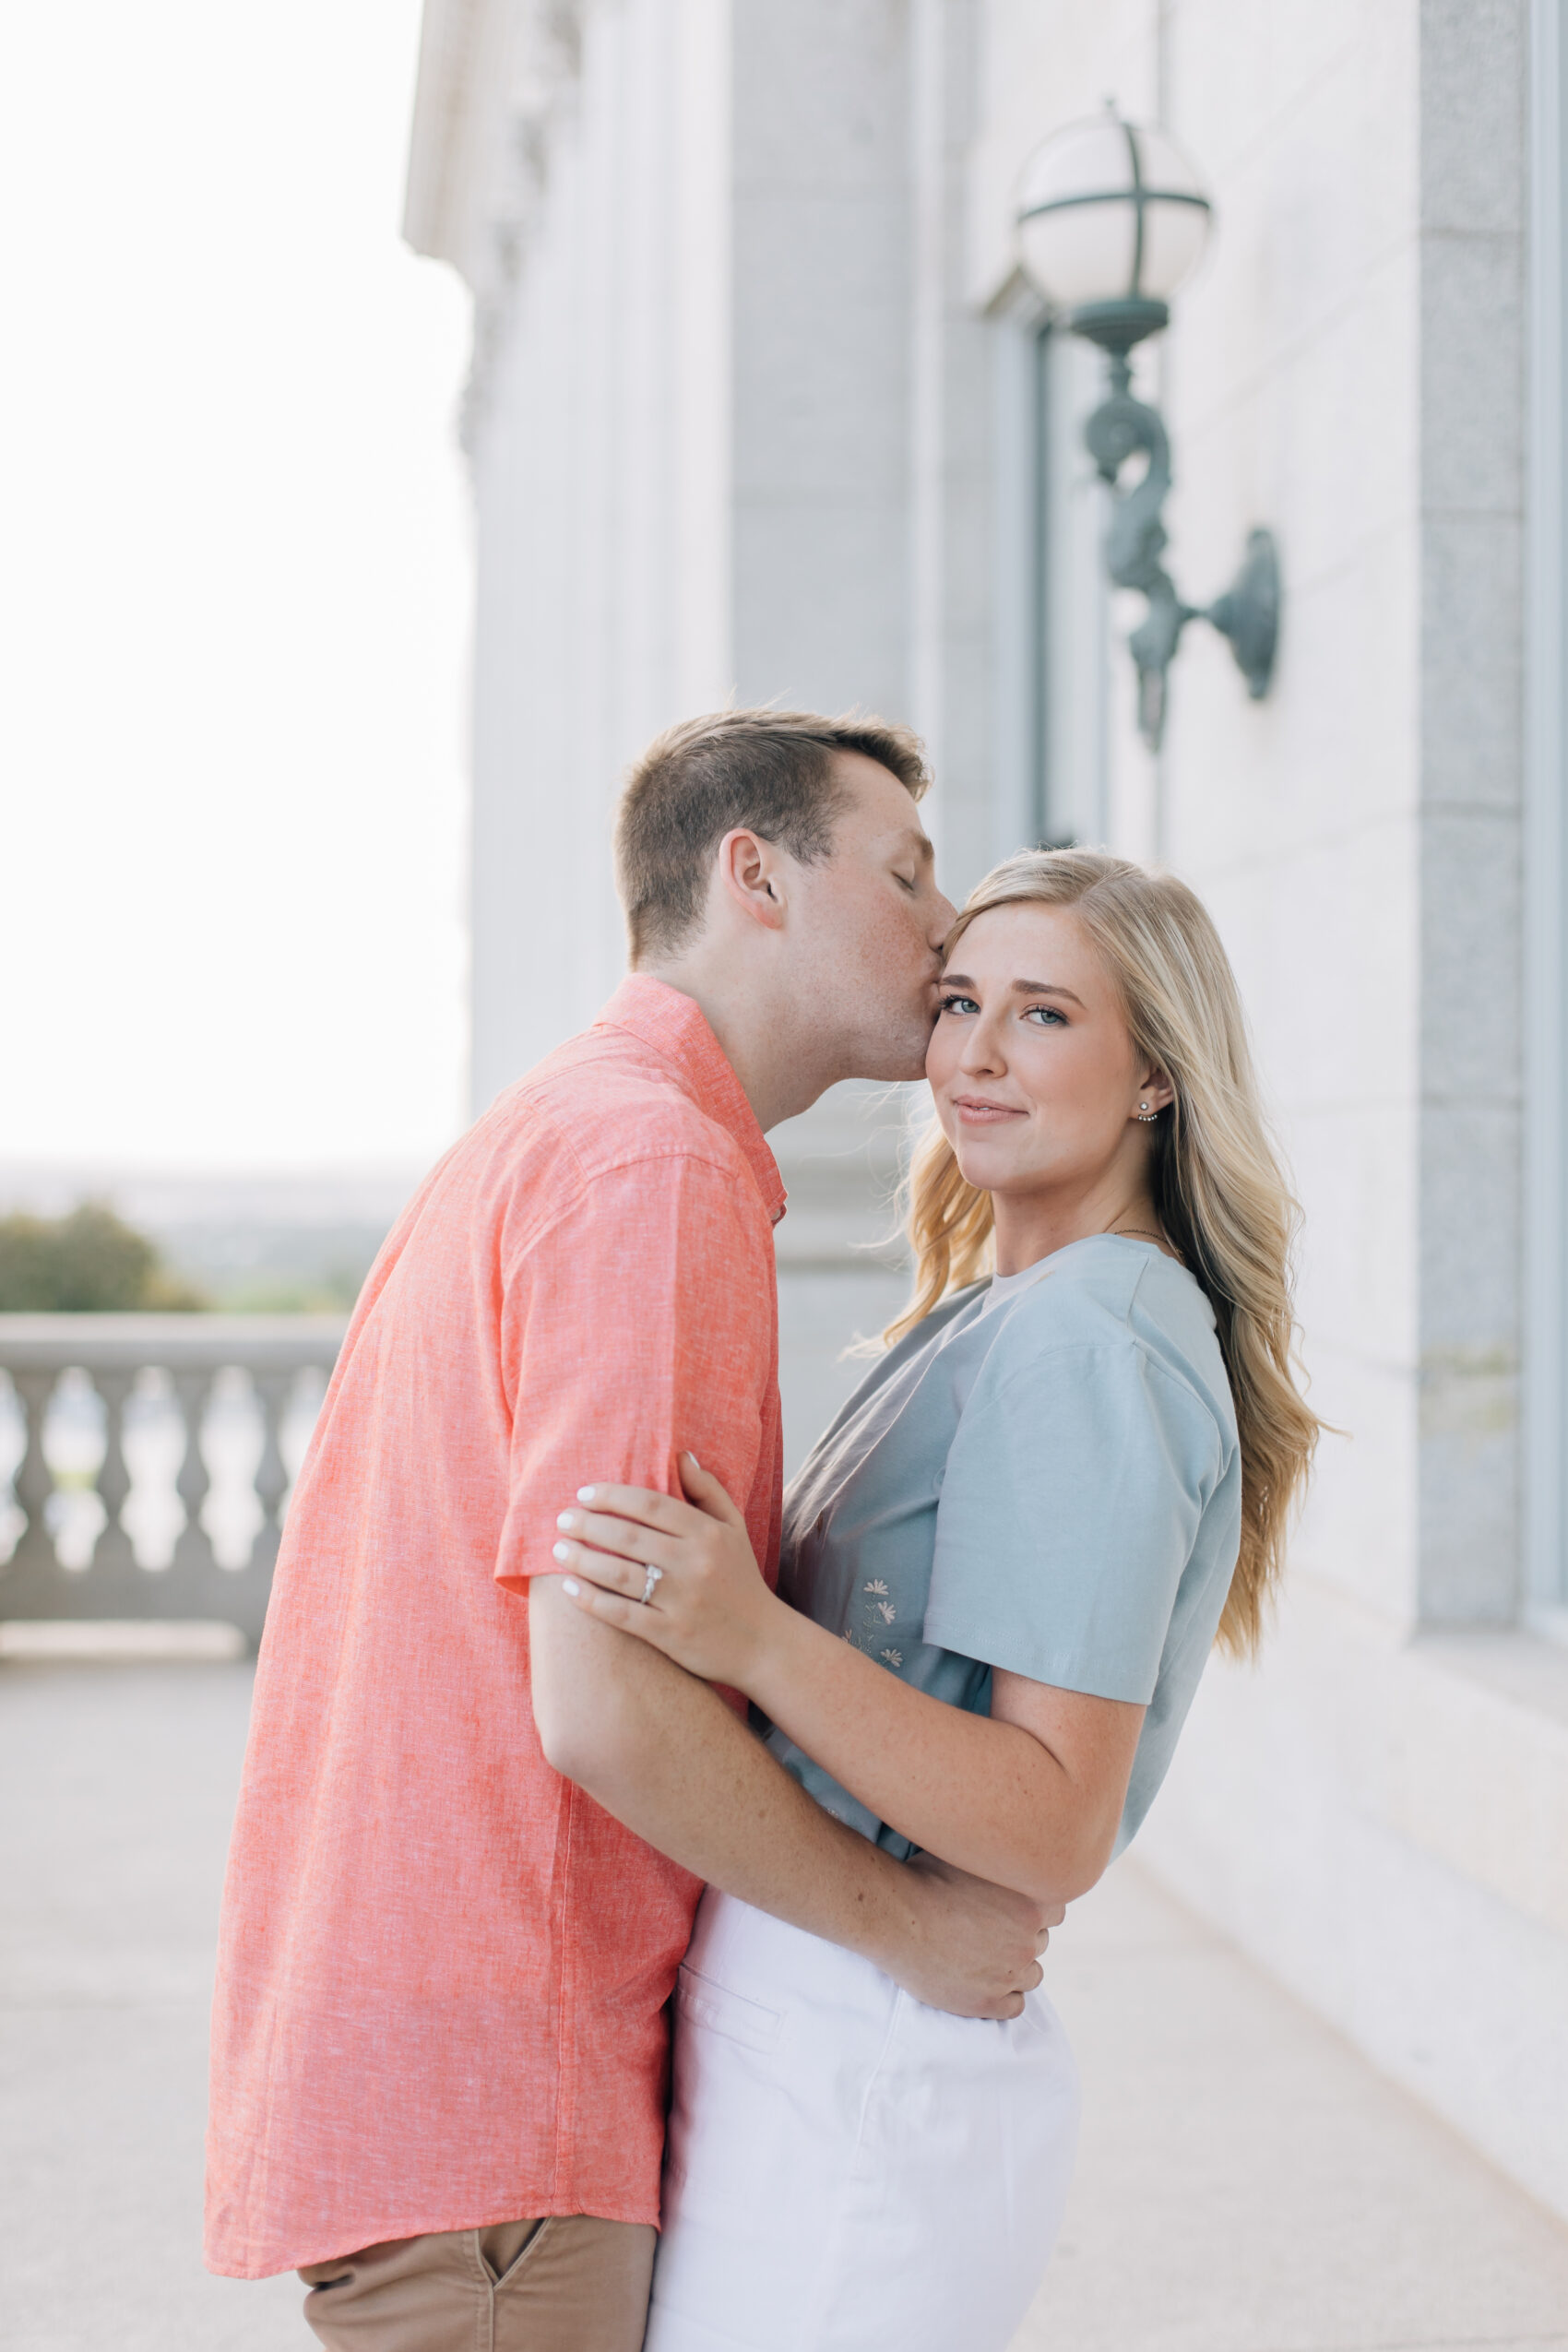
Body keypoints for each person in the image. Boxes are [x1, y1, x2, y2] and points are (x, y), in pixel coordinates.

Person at [204, 710, 1061, 2351]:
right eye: (903, 870)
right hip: (499, 2126)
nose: (945, 922)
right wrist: (916, 1932)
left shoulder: (578, 1126)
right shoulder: (646, 1161)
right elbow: (598, 1698)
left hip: (459, 2107)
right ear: (755, 874)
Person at [553, 847, 1323, 2352]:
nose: (972, 1051)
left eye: (1043, 1015)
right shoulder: (1010, 1309)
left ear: (1157, 1072)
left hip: (870, 2051)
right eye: (961, 998)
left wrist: (750, 1636)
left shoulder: (1092, 1340)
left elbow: (1053, 1818)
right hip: (826, 2008)